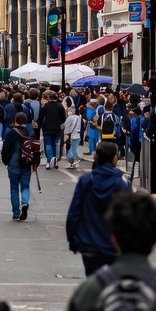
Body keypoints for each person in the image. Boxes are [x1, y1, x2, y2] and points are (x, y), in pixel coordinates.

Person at [66, 141, 130, 274]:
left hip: (89, 246)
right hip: (114, 248)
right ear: (114, 159)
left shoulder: (85, 181)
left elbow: (74, 214)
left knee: (93, 284)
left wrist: (74, 241)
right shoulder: (123, 184)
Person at [1, 111, 35, 220]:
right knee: (25, 186)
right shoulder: (30, 133)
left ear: (15, 120)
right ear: (25, 121)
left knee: (14, 188)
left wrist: (6, 162)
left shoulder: (11, 133)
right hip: (27, 162)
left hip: (13, 162)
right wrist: (35, 163)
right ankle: (24, 203)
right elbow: (35, 150)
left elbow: (5, 149)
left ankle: (16, 212)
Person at [39, 89, 67, 169]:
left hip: (47, 127)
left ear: (49, 98)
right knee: (56, 144)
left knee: (48, 144)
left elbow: (41, 117)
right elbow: (63, 118)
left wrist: (40, 125)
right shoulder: (60, 106)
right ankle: (56, 159)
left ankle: (49, 159)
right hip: (57, 128)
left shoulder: (46, 106)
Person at [64, 102, 82, 168]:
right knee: (74, 149)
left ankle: (76, 160)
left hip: (71, 136)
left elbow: (66, 127)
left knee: (71, 152)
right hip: (77, 135)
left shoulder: (69, 118)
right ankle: (74, 162)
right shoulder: (79, 117)